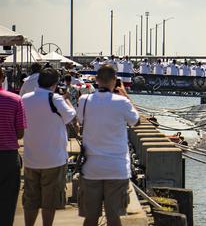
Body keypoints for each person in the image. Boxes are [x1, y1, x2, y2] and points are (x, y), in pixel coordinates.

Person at [77, 64, 139, 226]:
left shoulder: (84, 101)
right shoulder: (122, 102)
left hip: (91, 167)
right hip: (116, 168)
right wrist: (126, 96)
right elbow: (136, 121)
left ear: (96, 80)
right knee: (114, 218)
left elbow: (80, 121)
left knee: (90, 218)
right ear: (115, 81)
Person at [21, 68, 77, 226]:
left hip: (31, 158)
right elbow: (70, 115)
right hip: (54, 158)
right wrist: (65, 98)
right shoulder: (56, 98)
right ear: (54, 83)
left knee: (30, 200)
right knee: (49, 201)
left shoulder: (25, 98)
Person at [0, 68, 27, 226]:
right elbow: (20, 133)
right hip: (8, 157)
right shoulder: (15, 100)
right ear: (3, 78)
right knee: (7, 203)